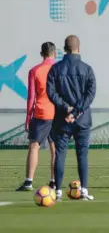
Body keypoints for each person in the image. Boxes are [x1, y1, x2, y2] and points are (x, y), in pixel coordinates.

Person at [47, 35, 96, 200]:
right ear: (78, 48)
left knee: (60, 154)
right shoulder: (87, 69)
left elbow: (51, 92)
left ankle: (58, 191)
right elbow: (90, 94)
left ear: (64, 49)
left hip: (62, 119)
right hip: (82, 120)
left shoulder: (56, 69)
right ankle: (84, 191)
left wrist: (66, 108)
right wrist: (77, 111)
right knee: (82, 154)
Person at [16, 42, 57, 191]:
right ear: (55, 53)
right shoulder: (60, 69)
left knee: (34, 147)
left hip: (41, 113)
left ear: (41, 54)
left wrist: (28, 118)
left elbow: (31, 98)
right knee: (55, 148)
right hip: (57, 113)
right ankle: (54, 181)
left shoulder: (35, 70)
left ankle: (28, 182)